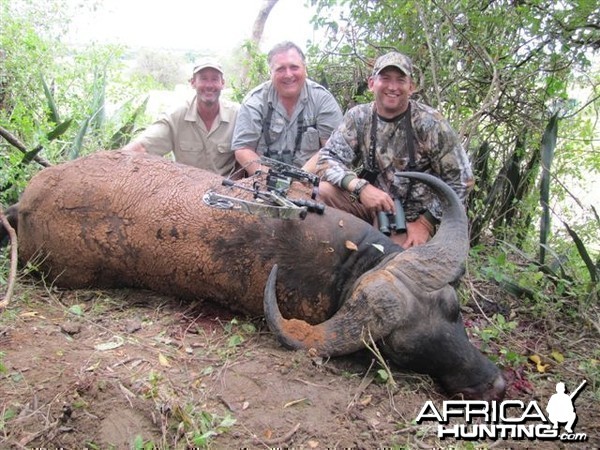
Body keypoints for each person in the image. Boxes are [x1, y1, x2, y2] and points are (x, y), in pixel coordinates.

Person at [315, 51, 474, 248]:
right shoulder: (358, 116)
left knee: (388, 257)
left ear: (411, 87)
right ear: (372, 83)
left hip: (408, 218)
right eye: (385, 78)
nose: (393, 87)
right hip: (369, 203)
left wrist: (425, 223)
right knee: (322, 192)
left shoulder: (430, 123)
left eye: (400, 80)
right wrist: (359, 186)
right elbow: (326, 159)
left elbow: (462, 180)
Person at [231, 41, 343, 176]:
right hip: (263, 180)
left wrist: (299, 179)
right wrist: (271, 180)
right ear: (270, 73)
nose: (288, 74)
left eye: (294, 67)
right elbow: (243, 149)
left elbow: (331, 148)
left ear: (305, 69)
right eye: (280, 69)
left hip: (311, 181)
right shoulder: (254, 102)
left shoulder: (322, 99)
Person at [122, 59, 240, 177]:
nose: (209, 85)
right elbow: (142, 147)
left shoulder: (238, 115)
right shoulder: (175, 116)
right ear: (193, 83)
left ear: (222, 83)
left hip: (229, 191)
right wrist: (111, 163)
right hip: (186, 191)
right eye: (203, 79)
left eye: (214, 79)